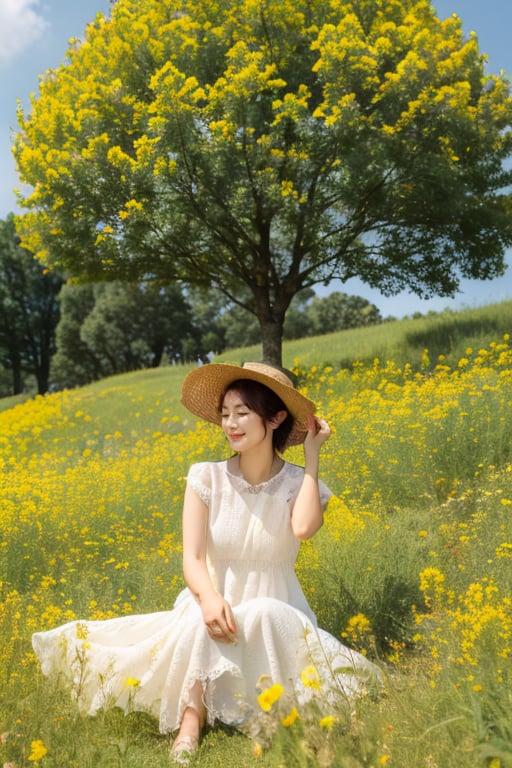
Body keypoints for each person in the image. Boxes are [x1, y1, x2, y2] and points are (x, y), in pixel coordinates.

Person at [32, 362, 380, 765]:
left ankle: (263, 716)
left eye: (242, 413)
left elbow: (303, 528)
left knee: (265, 612)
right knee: (202, 619)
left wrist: (312, 456)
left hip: (278, 606)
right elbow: (193, 557)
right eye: (225, 414)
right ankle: (191, 721)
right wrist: (209, 598)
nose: (230, 424)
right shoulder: (205, 478)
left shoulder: (299, 484)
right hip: (214, 597)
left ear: (276, 417)